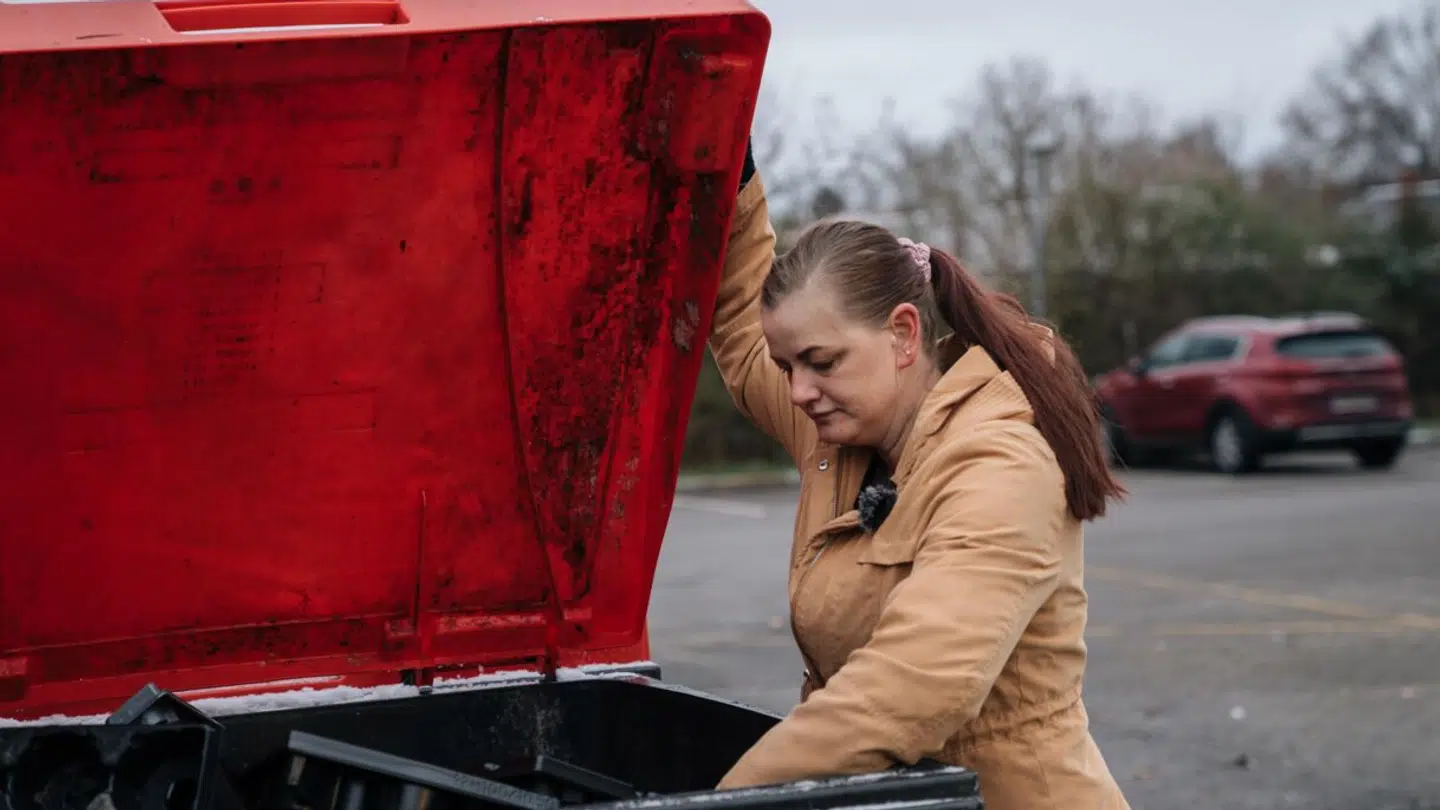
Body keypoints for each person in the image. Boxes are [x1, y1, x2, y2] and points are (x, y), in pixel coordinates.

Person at [706, 140, 1132, 810]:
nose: (797, 391)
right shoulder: (838, 429)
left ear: (904, 334)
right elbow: (739, 324)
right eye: (788, 367)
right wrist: (734, 171)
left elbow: (907, 689)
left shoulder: (1000, 464)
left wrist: (723, 802)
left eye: (820, 361)